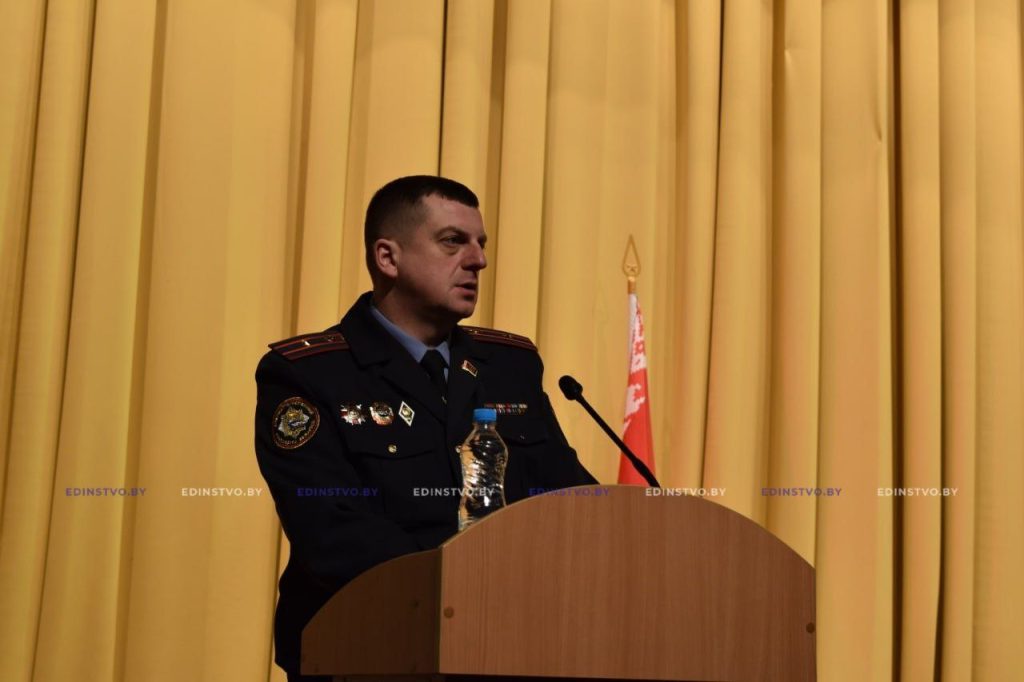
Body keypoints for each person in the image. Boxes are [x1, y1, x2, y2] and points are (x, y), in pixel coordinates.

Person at [254, 175, 597, 680]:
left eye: (481, 243)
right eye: (453, 241)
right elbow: (331, 530)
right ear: (387, 258)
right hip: (369, 646)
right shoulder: (310, 373)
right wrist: (466, 589)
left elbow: (567, 497)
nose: (478, 260)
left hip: (515, 643)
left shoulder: (510, 365)